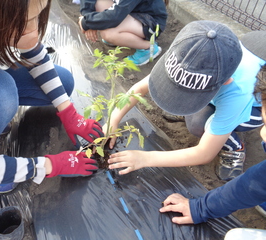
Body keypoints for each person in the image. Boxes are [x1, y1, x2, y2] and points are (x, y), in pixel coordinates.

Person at [0, 0, 103, 193]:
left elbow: (37, 57)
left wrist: (69, 113)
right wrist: (49, 165)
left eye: (38, 15)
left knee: (64, 82)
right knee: (1, 95)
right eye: (23, 23)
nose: (35, 30)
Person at [106, 22, 266, 182]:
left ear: (224, 82)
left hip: (254, 107)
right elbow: (140, 88)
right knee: (194, 117)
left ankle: (234, 148)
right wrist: (113, 119)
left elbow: (204, 153)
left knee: (199, 125)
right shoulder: (190, 51)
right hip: (235, 76)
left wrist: (146, 158)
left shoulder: (238, 94)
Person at [159, 64, 266, 226]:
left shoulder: (237, 93)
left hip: (243, 107)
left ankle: (235, 149)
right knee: (196, 120)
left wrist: (200, 208)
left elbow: (252, 185)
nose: (262, 133)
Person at [78, 0, 168, 66]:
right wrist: (87, 15)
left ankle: (148, 48)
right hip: (130, 12)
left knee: (108, 34)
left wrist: (86, 22)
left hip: (150, 22)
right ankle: (122, 38)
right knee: (98, 3)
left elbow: (115, 17)